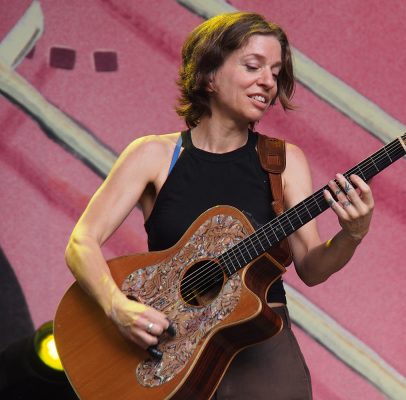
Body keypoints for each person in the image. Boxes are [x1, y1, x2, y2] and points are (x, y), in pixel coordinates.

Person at [65, 11, 374, 399]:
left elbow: (311, 267)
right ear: (208, 75)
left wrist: (352, 234)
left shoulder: (284, 161)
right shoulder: (154, 155)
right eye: (253, 66)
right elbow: (82, 242)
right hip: (166, 350)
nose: (268, 82)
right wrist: (117, 308)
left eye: (276, 73)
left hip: (261, 348)